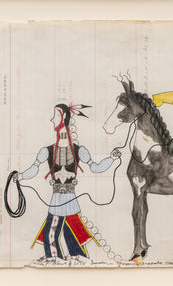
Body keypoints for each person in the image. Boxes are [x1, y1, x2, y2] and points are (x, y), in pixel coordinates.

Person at [14, 103, 120, 265]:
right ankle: (68, 258)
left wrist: (111, 158)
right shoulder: (47, 151)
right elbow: (34, 168)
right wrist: (20, 176)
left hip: (67, 200)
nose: (52, 119)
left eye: (55, 116)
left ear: (64, 117)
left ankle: (61, 259)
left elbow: (96, 167)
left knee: (57, 233)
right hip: (58, 199)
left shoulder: (79, 150)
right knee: (65, 231)